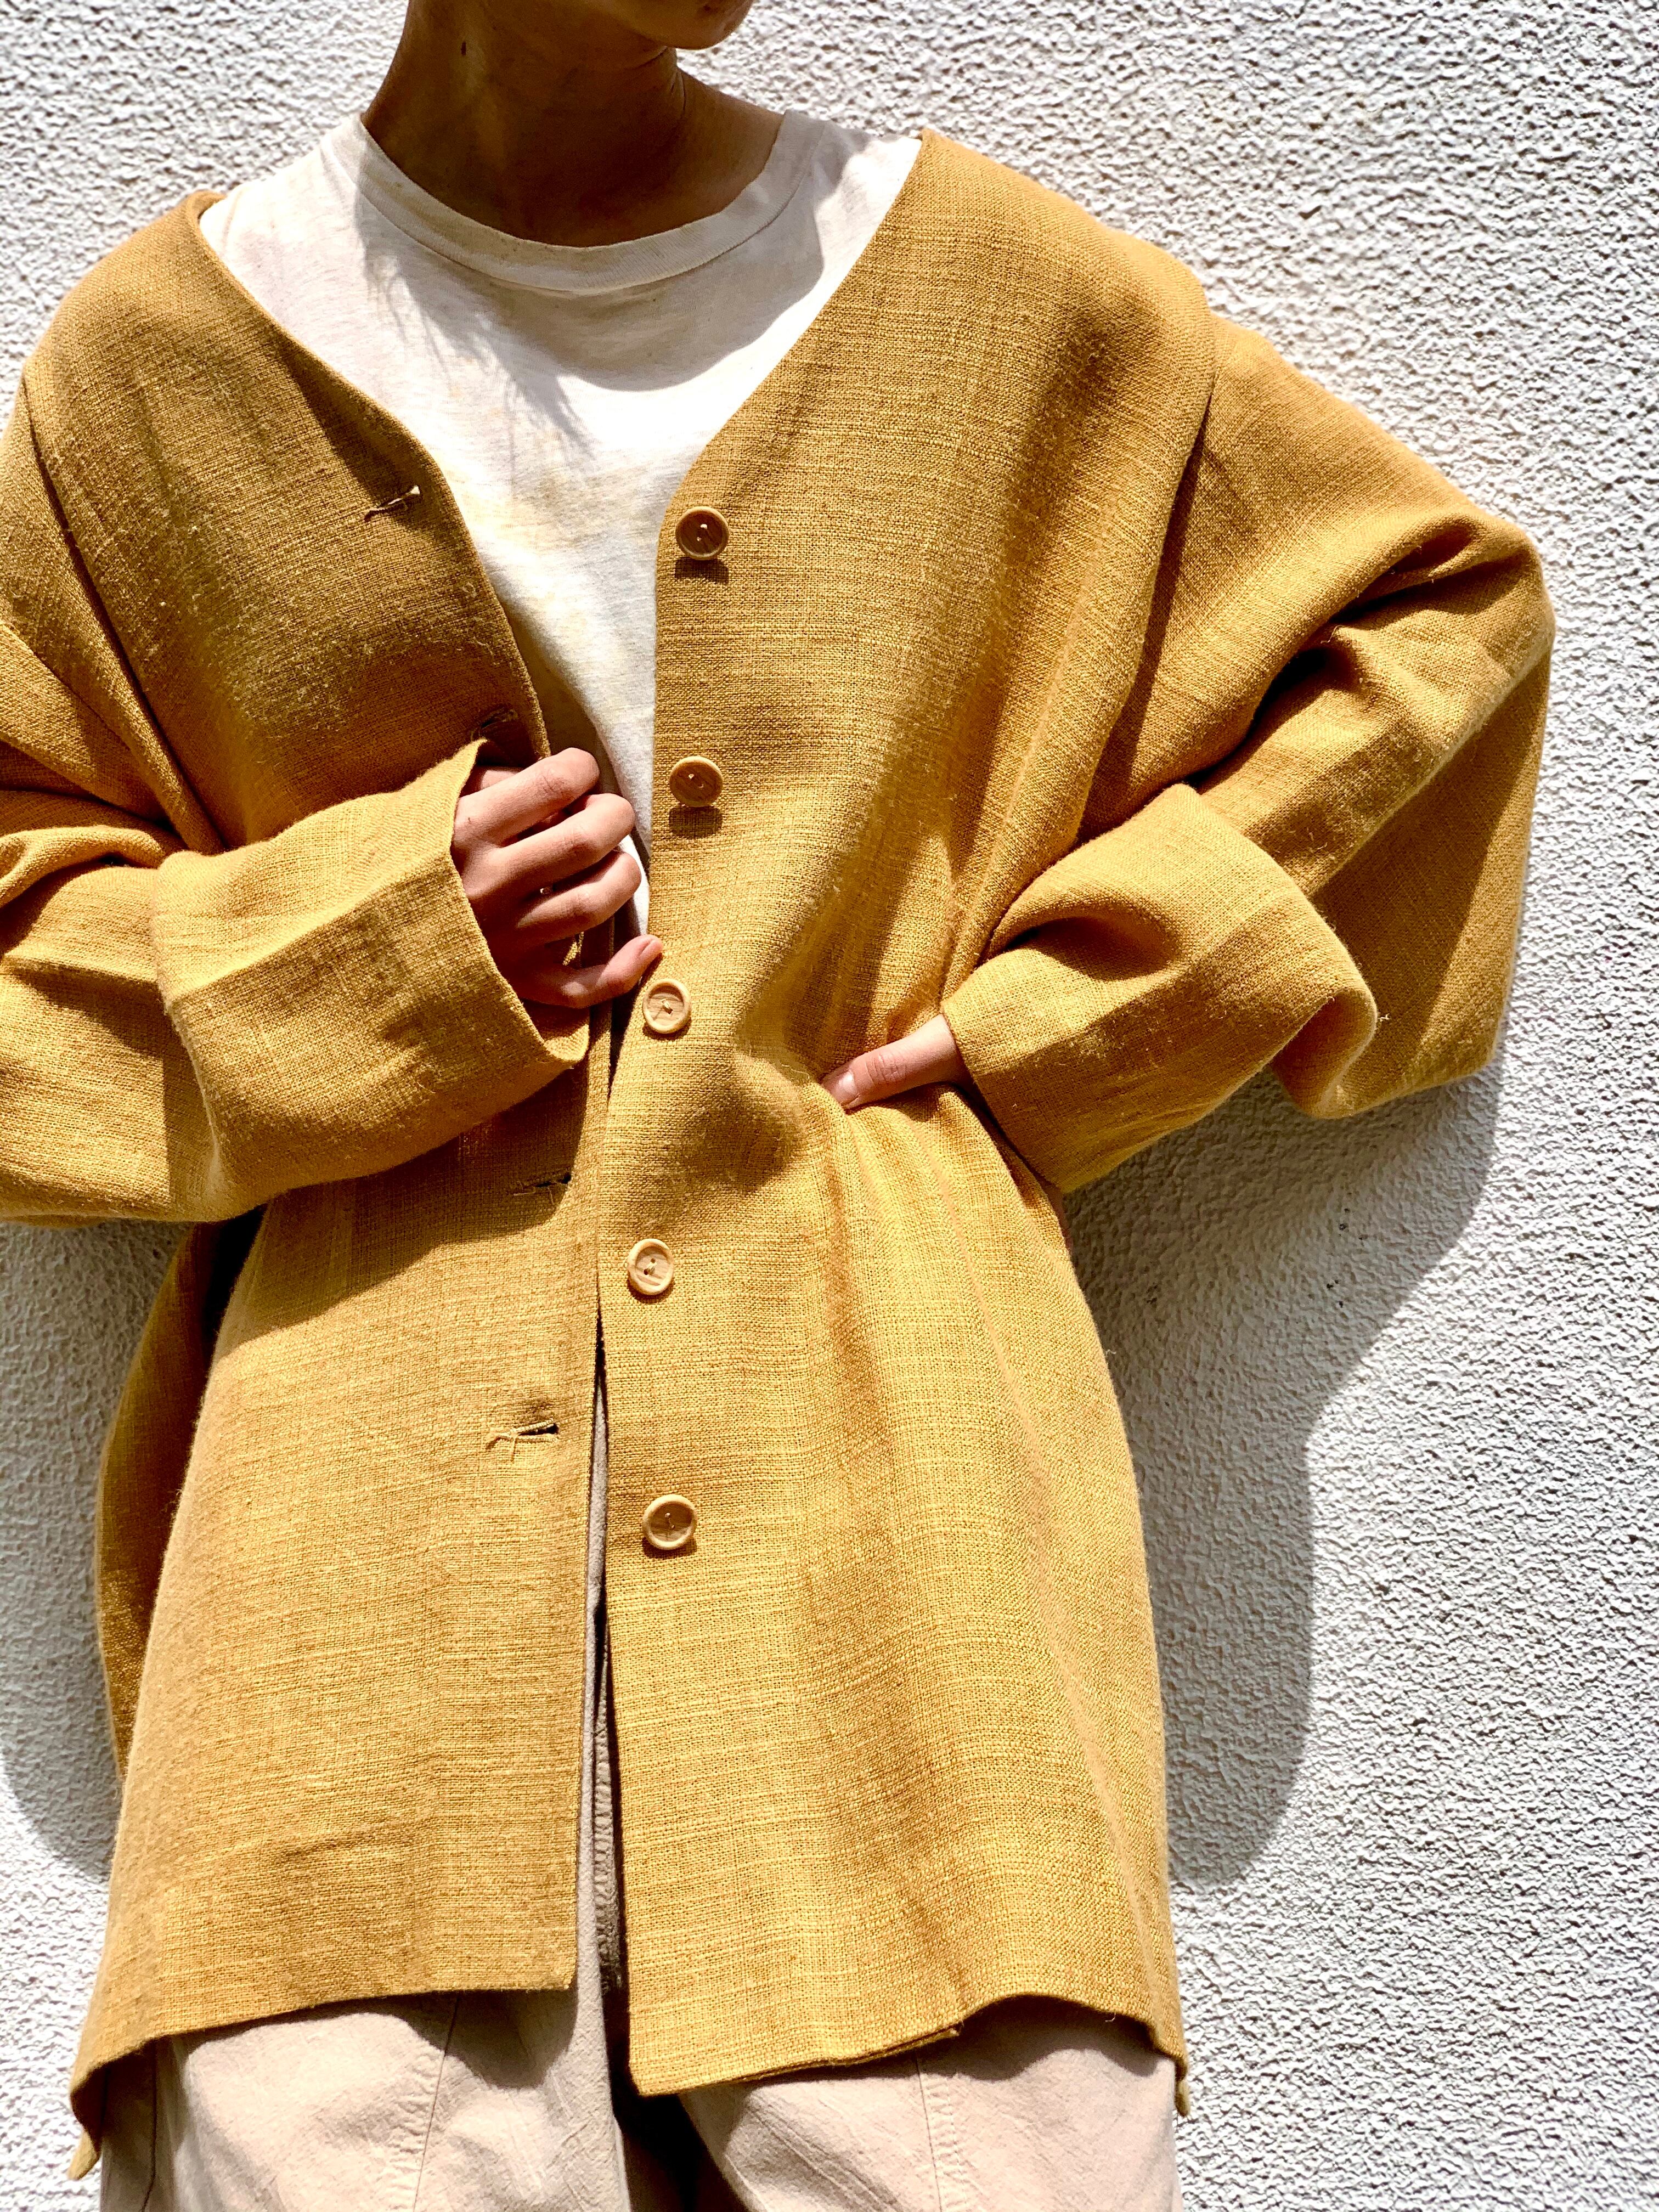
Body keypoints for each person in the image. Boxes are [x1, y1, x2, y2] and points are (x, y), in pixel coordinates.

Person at [0, 0, 1551, 2203]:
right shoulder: (159, 370)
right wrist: (379, 950)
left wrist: (1091, 1009)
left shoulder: (997, 300)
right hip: (352, 1644)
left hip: (899, 1564)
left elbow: (1443, 627)